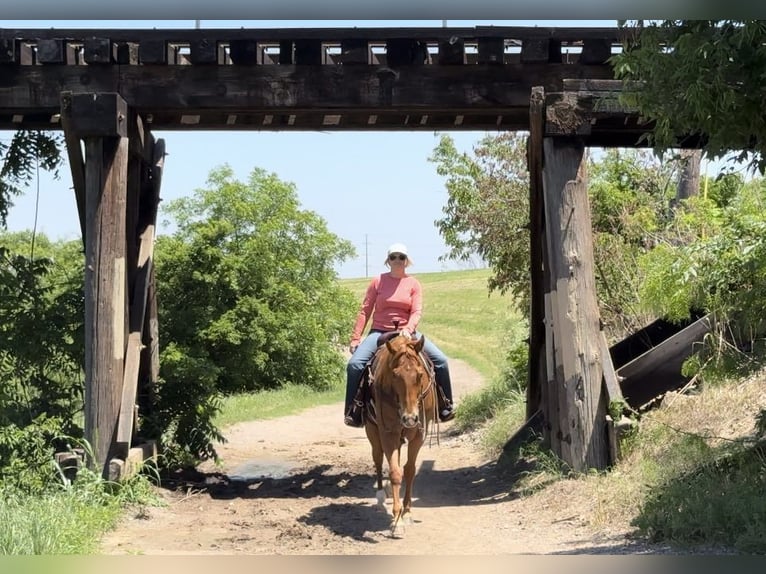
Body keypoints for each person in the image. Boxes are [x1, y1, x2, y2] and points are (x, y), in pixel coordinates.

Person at [343, 242, 455, 427]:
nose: (397, 260)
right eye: (393, 257)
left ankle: (445, 406)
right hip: (380, 331)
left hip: (406, 332)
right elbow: (365, 311)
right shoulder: (378, 281)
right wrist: (356, 338)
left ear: (406, 261)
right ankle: (353, 410)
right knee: (355, 365)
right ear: (388, 260)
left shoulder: (413, 284)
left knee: (441, 360)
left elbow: (416, 311)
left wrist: (409, 329)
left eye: (401, 257)